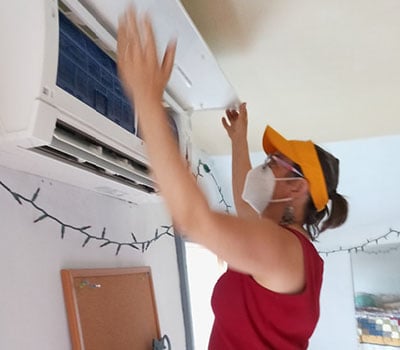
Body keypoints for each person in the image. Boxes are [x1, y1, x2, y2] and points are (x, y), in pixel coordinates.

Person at [117, 8, 348, 350]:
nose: (266, 166)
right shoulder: (289, 251)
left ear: (299, 186)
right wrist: (239, 140)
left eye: (277, 161)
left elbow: (194, 220)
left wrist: (148, 99)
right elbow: (244, 203)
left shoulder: (284, 253)